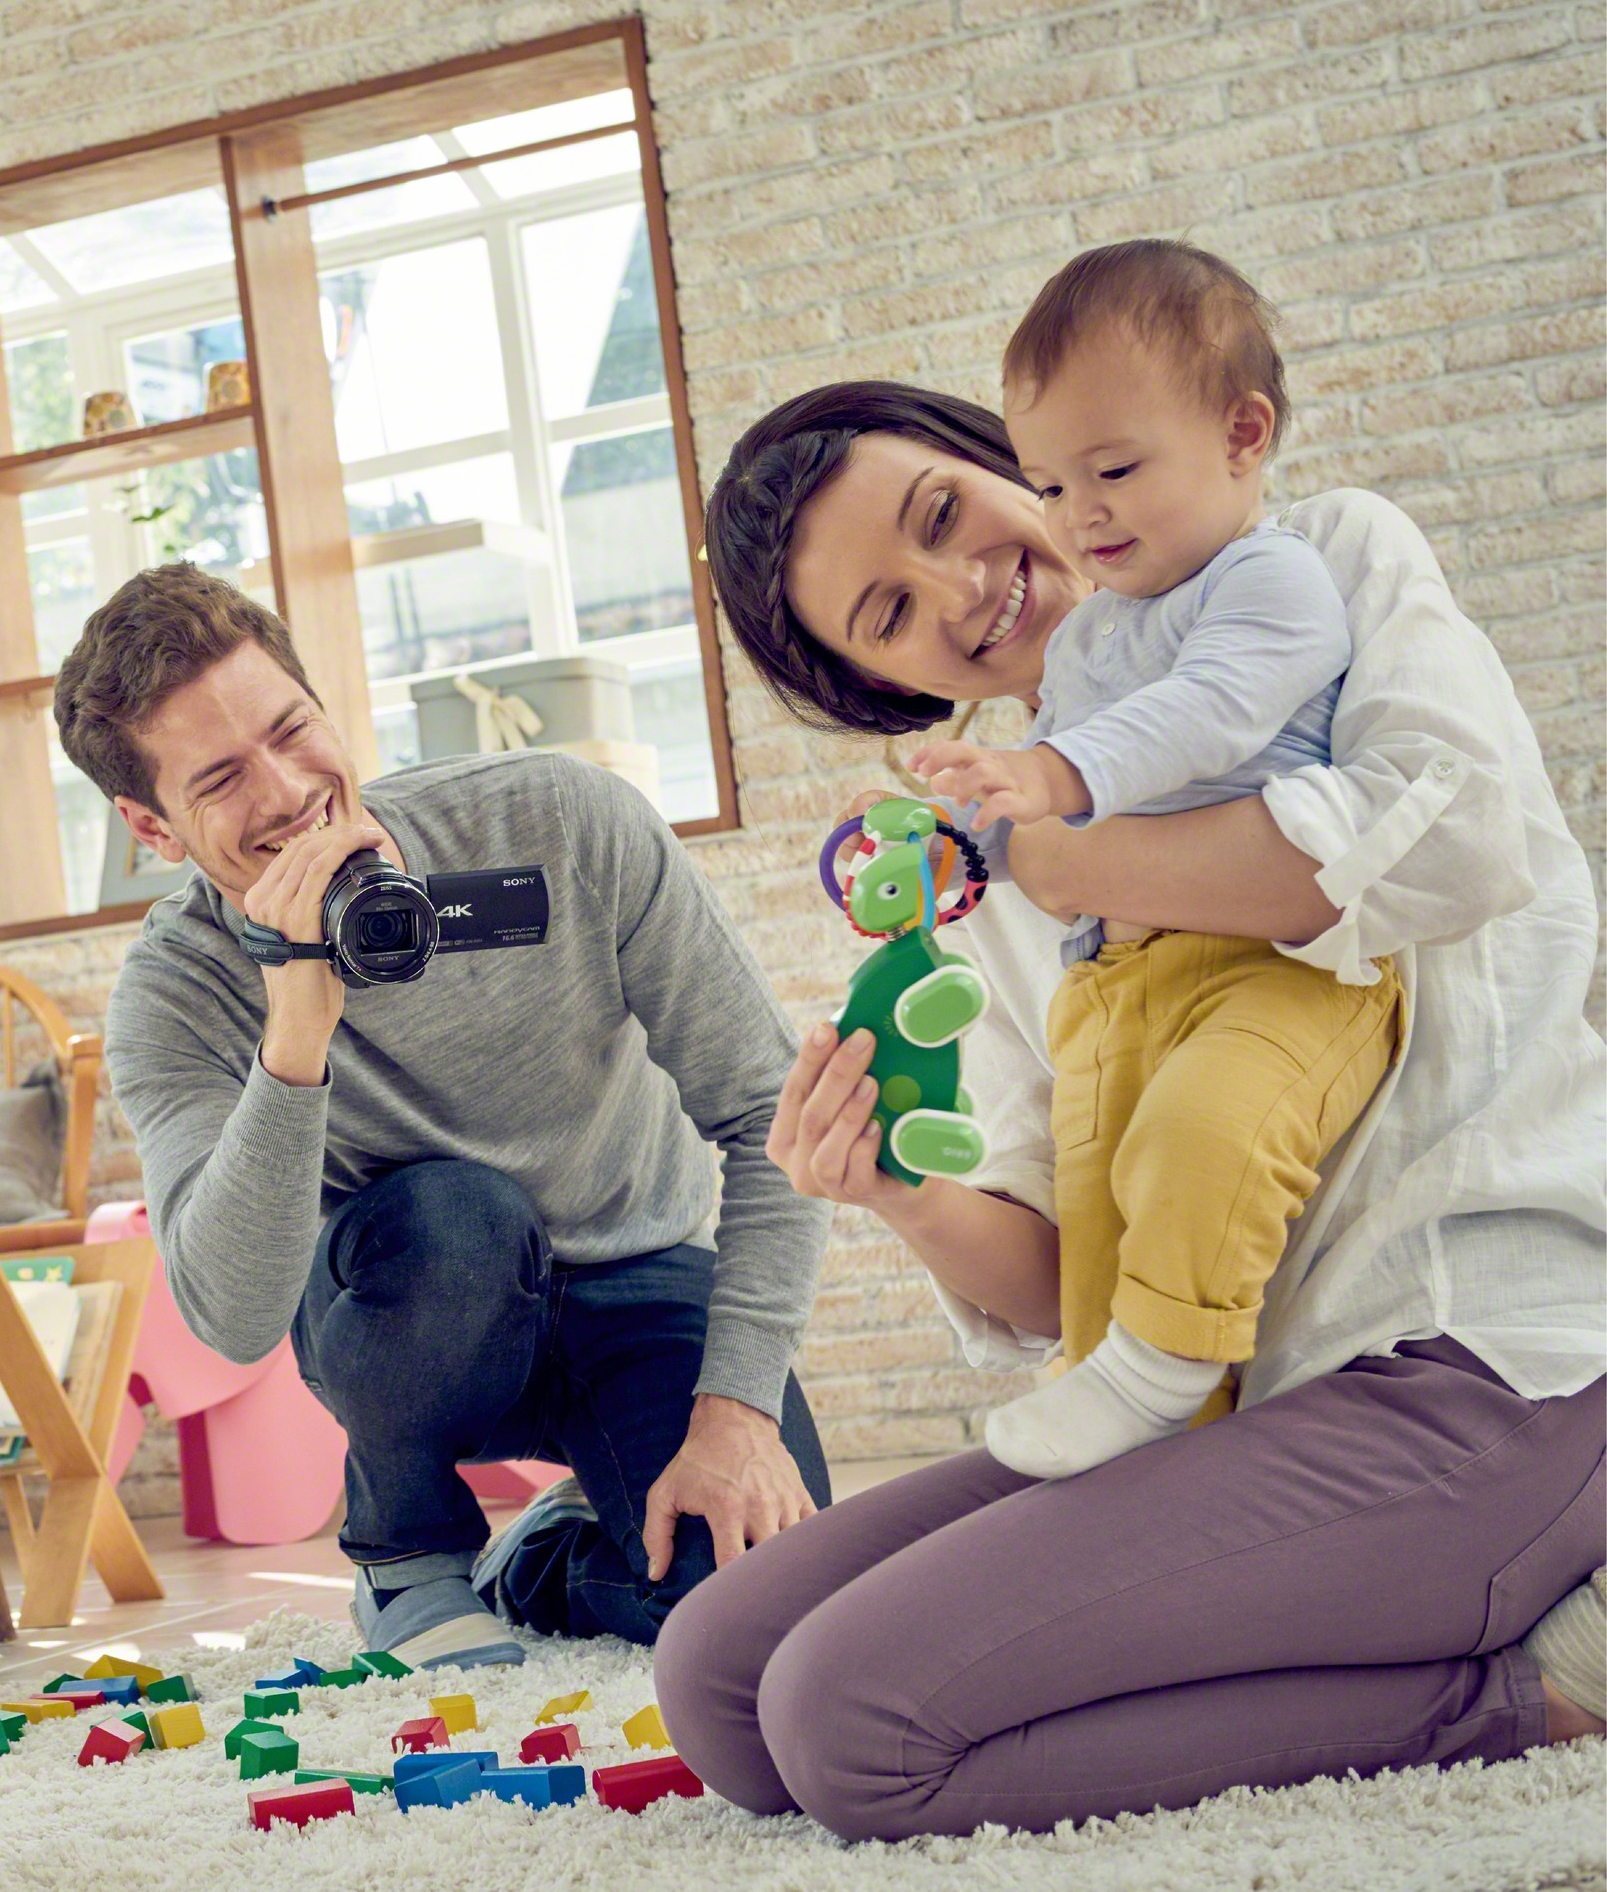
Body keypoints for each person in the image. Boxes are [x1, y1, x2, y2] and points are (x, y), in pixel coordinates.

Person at [644, 376, 1606, 1840]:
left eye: (946, 514)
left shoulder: (1325, 566)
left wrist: (1065, 858)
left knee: (855, 1722)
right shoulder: (987, 866)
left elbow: (1458, 841)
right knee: (722, 1674)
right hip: (1235, 1404)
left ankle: (1535, 1689)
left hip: (1486, 1358)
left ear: (1006, 463)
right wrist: (897, 1188)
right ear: (885, 686)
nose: (964, 592)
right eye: (892, 616)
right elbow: (1057, 1278)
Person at [57, 563, 829, 1670]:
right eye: (221, 778)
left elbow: (766, 1111)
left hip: (641, 1275)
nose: (284, 791)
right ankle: (407, 1550)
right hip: (418, 1308)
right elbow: (230, 1315)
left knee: (768, 1603)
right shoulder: (176, 989)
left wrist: (738, 1412)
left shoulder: (560, 820)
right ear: (153, 825)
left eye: (292, 729)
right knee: (457, 1215)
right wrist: (296, 1027)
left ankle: (545, 1559)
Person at [911, 241, 1403, 1478]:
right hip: (1118, 986)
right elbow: (1045, 826)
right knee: (1110, 1189)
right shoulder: (1093, 649)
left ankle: (1162, 1367)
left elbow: (1215, 715)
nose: (1082, 516)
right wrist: (969, 852)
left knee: (1207, 1129)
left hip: (1274, 965)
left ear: (1243, 435)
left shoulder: (1277, 577)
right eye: (1055, 483)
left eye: (1114, 471)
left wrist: (1057, 785)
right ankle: (1127, 1417)